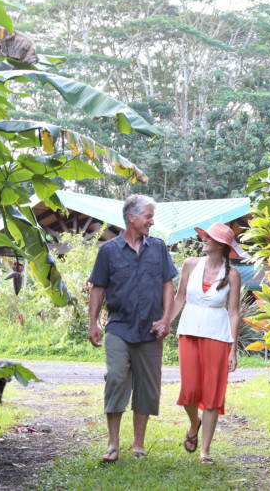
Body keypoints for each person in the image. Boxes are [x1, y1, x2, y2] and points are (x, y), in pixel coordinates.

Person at [87, 194, 178, 463]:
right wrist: (93, 322)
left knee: (148, 387)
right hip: (119, 327)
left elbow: (168, 284)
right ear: (132, 217)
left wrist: (166, 319)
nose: (152, 221)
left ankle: (138, 444)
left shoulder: (158, 248)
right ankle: (113, 444)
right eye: (148, 216)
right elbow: (98, 288)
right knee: (116, 377)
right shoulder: (108, 251)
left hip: (151, 330)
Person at [167, 222, 242, 465]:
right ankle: (193, 423)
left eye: (209, 238)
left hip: (218, 336)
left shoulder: (232, 274)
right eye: (205, 236)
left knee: (212, 393)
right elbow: (180, 298)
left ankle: (205, 451)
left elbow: (233, 312)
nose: (204, 240)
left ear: (222, 246)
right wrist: (165, 322)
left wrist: (232, 348)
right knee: (188, 391)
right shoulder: (190, 264)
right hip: (188, 331)